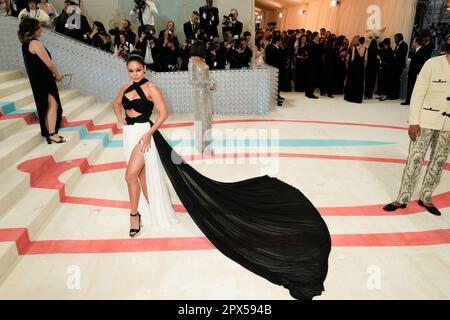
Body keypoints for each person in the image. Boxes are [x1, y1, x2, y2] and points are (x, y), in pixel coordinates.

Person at [113, 53, 331, 300]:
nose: (134, 74)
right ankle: (154, 210)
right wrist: (119, 115)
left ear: (144, 69)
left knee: (130, 176)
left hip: (144, 134)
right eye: (131, 71)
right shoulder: (124, 87)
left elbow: (162, 114)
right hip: (129, 134)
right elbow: (116, 103)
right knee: (140, 176)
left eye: (138, 70)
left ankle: (134, 216)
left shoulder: (152, 88)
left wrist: (149, 133)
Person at [383, 35, 450, 216]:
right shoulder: (432, 64)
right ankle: (402, 198)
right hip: (425, 122)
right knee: (415, 160)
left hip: (448, 126)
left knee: (438, 162)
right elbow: (418, 94)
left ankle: (426, 198)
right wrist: (414, 122)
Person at [18, 17, 65, 143]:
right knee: (53, 105)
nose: (42, 29)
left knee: (47, 105)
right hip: (44, 80)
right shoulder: (35, 43)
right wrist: (58, 74)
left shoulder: (26, 44)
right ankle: (52, 134)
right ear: (33, 29)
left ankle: (49, 133)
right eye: (39, 27)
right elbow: (49, 64)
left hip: (38, 79)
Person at [188, 42, 216, 155]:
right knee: (201, 119)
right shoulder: (192, 62)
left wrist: (212, 83)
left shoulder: (202, 60)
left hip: (206, 94)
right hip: (198, 94)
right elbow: (191, 80)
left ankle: (207, 146)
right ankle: (202, 146)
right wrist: (206, 82)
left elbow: (208, 77)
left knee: (208, 118)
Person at [401, 37, 429, 106]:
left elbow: (422, 64)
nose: (412, 43)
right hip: (412, 73)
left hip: (417, 74)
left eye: (413, 42)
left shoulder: (423, 51)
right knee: (410, 87)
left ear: (416, 43)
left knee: (415, 88)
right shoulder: (415, 50)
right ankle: (408, 100)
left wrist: (419, 73)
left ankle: (413, 102)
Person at [344, 36, 367, 104]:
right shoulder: (366, 49)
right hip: (361, 67)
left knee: (353, 80)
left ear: (359, 41)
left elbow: (352, 58)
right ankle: (358, 98)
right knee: (359, 81)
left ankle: (351, 97)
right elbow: (366, 60)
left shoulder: (354, 48)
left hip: (354, 66)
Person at [388, 33, 408, 100]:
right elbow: (395, 53)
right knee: (393, 80)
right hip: (395, 65)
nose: (394, 40)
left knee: (396, 80)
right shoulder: (397, 45)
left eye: (395, 38)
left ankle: (395, 95)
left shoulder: (404, 45)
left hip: (399, 65)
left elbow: (401, 55)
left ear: (400, 38)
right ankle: (392, 94)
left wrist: (395, 53)